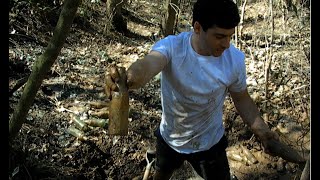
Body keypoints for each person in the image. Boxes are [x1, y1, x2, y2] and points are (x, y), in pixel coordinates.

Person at [105, 0, 279, 179]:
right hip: (170, 138)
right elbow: (148, 64)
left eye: (230, 36)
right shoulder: (172, 47)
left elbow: (242, 99)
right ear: (197, 27)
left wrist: (261, 130)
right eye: (219, 36)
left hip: (210, 143)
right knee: (161, 173)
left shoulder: (234, 60)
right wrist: (127, 78)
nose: (227, 44)